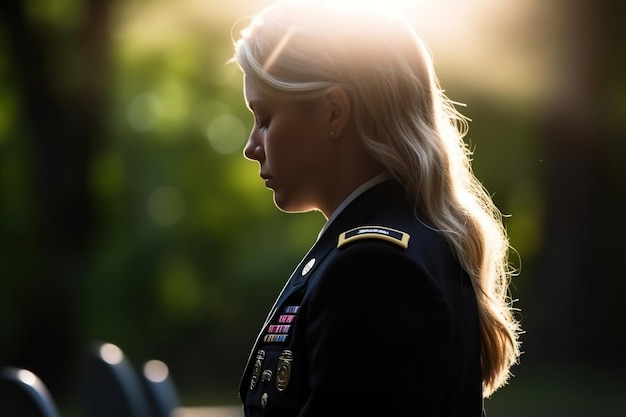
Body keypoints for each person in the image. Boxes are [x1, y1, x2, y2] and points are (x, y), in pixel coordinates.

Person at [230, 1, 522, 416]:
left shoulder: (372, 269)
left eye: (265, 117)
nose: (250, 147)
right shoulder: (400, 246)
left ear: (334, 112)